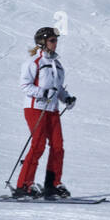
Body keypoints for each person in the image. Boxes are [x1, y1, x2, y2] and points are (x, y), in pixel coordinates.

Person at [15, 26, 76, 198]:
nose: (55, 43)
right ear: (42, 42)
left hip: (52, 109)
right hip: (35, 108)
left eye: (56, 40)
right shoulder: (33, 63)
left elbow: (58, 89)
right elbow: (25, 86)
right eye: (52, 40)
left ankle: (52, 184)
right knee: (38, 145)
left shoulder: (57, 65)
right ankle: (24, 185)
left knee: (58, 147)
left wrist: (67, 98)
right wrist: (42, 93)